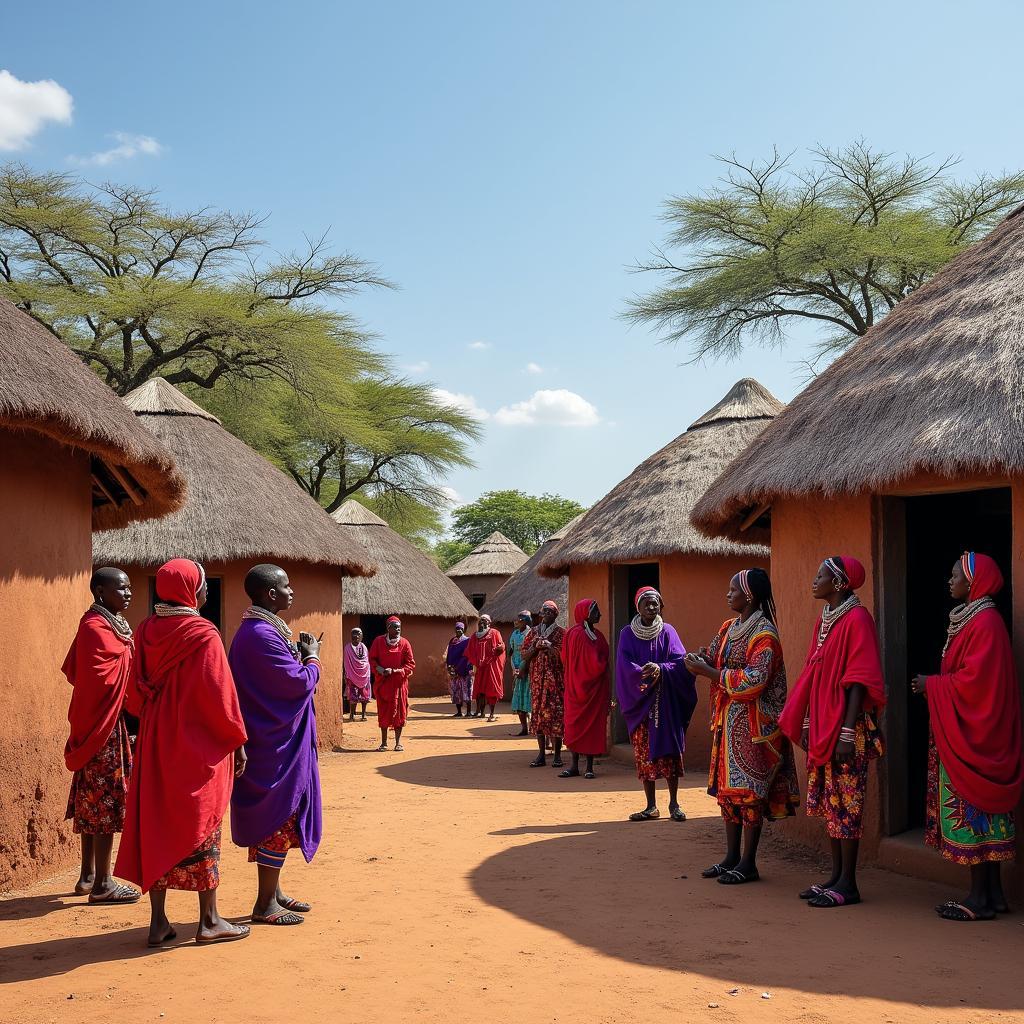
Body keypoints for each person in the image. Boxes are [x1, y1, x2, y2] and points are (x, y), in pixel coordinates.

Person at [114, 559, 249, 946]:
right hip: (196, 743)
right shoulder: (203, 633)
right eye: (204, 585)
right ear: (192, 590)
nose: (207, 592)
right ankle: (209, 920)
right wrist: (237, 742)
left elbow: (134, 690)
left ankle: (158, 922)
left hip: (157, 739)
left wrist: (157, 714)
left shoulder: (143, 630)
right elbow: (219, 695)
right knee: (201, 822)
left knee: (157, 819)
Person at [911, 552, 1024, 921]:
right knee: (984, 814)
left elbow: (978, 683)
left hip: (976, 736)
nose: (950, 581)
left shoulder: (986, 623)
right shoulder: (975, 619)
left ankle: (978, 899)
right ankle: (993, 895)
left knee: (976, 811)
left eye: (956, 575)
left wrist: (933, 685)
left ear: (973, 583)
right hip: (971, 730)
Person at [779, 555, 885, 909]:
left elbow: (859, 679)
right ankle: (836, 876)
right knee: (831, 803)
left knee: (847, 804)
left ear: (839, 584)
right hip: (825, 720)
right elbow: (813, 673)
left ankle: (849, 885)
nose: (814, 580)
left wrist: (845, 732)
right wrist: (808, 721)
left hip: (846, 725)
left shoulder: (857, 618)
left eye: (820, 575)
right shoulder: (825, 619)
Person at [685, 569, 799, 885]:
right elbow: (712, 655)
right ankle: (731, 857)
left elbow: (754, 681)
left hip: (754, 727)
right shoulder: (729, 628)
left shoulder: (764, 636)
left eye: (732, 589)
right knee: (729, 793)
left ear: (748, 595)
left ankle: (748, 862)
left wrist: (708, 672)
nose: (728, 594)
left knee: (749, 793)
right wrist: (696, 660)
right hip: (728, 721)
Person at [229, 565, 323, 927]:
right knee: (278, 816)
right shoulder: (260, 635)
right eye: (286, 586)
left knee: (284, 814)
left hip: (277, 739)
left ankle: (275, 891)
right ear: (270, 594)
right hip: (273, 746)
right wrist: (312, 658)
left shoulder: (263, 631)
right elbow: (295, 683)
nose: (291, 591)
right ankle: (265, 903)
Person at [62, 567, 140, 904]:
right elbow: (99, 680)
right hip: (100, 728)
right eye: (120, 588)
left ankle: (87, 876)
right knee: (102, 803)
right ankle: (103, 884)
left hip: (109, 724)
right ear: (100, 592)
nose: (128, 593)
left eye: (129, 588)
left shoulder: (108, 626)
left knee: (92, 801)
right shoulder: (95, 627)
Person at [616, 587, 696, 821]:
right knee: (644, 754)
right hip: (641, 703)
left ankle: (674, 804)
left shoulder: (668, 632)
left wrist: (662, 669)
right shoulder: (627, 634)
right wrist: (643, 672)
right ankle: (651, 806)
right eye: (647, 603)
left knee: (670, 753)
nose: (652, 607)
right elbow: (624, 665)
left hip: (666, 701)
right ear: (637, 607)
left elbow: (681, 662)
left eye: (656, 603)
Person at [561, 599, 610, 779]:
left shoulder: (597, 635)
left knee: (592, 728)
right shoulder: (576, 634)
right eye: (595, 611)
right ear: (585, 613)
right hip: (577, 689)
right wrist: (601, 663)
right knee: (574, 727)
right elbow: (593, 663)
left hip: (594, 691)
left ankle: (589, 767)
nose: (600, 614)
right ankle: (574, 766)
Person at [522, 600, 566, 767]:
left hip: (555, 682)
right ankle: (541, 754)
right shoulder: (533, 633)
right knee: (538, 715)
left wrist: (550, 647)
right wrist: (535, 646)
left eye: (550, 612)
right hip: (537, 681)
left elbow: (565, 657)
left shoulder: (561, 633)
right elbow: (525, 655)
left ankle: (557, 756)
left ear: (556, 615)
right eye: (544, 611)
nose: (546, 614)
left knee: (556, 715)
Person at [369, 617, 415, 751]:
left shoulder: (405, 643)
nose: (398, 628)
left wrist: (395, 671)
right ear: (388, 628)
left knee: (400, 712)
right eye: (395, 626)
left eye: (399, 626)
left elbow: (410, 664)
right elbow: (372, 659)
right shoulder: (378, 642)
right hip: (383, 684)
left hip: (399, 684)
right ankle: (383, 743)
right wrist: (380, 669)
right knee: (383, 712)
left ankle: (398, 742)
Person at [466, 614, 505, 721]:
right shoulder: (475, 636)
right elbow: (470, 651)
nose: (481, 623)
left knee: (491, 689)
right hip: (480, 668)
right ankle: (481, 712)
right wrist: (476, 662)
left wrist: (498, 649)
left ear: (489, 622)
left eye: (484, 621)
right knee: (480, 690)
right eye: (480, 622)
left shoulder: (495, 633)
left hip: (491, 666)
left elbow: (501, 646)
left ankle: (492, 714)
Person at [508, 611, 533, 736]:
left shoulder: (532, 634)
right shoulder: (514, 634)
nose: (516, 622)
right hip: (518, 672)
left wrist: (525, 668)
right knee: (518, 701)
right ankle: (524, 729)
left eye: (519, 620)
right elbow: (511, 653)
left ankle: (533, 727)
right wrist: (514, 668)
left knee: (530, 700)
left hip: (529, 672)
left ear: (525, 621)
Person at [445, 621, 474, 718]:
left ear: (463, 630)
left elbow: (467, 655)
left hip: (464, 669)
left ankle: (469, 712)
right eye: (457, 629)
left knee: (467, 690)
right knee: (456, 690)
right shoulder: (452, 641)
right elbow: (449, 654)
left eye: (460, 629)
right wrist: (449, 666)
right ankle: (459, 711)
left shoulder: (467, 641)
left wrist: (460, 666)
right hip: (454, 670)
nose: (458, 630)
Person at [344, 627, 372, 722]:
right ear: (351, 636)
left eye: (358, 634)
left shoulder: (364, 647)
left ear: (362, 636)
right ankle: (352, 714)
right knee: (353, 696)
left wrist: (365, 671)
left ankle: (363, 714)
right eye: (354, 634)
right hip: (351, 675)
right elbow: (346, 662)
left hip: (364, 675)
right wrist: (347, 674)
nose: (356, 636)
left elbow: (366, 660)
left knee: (364, 696)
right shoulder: (347, 648)